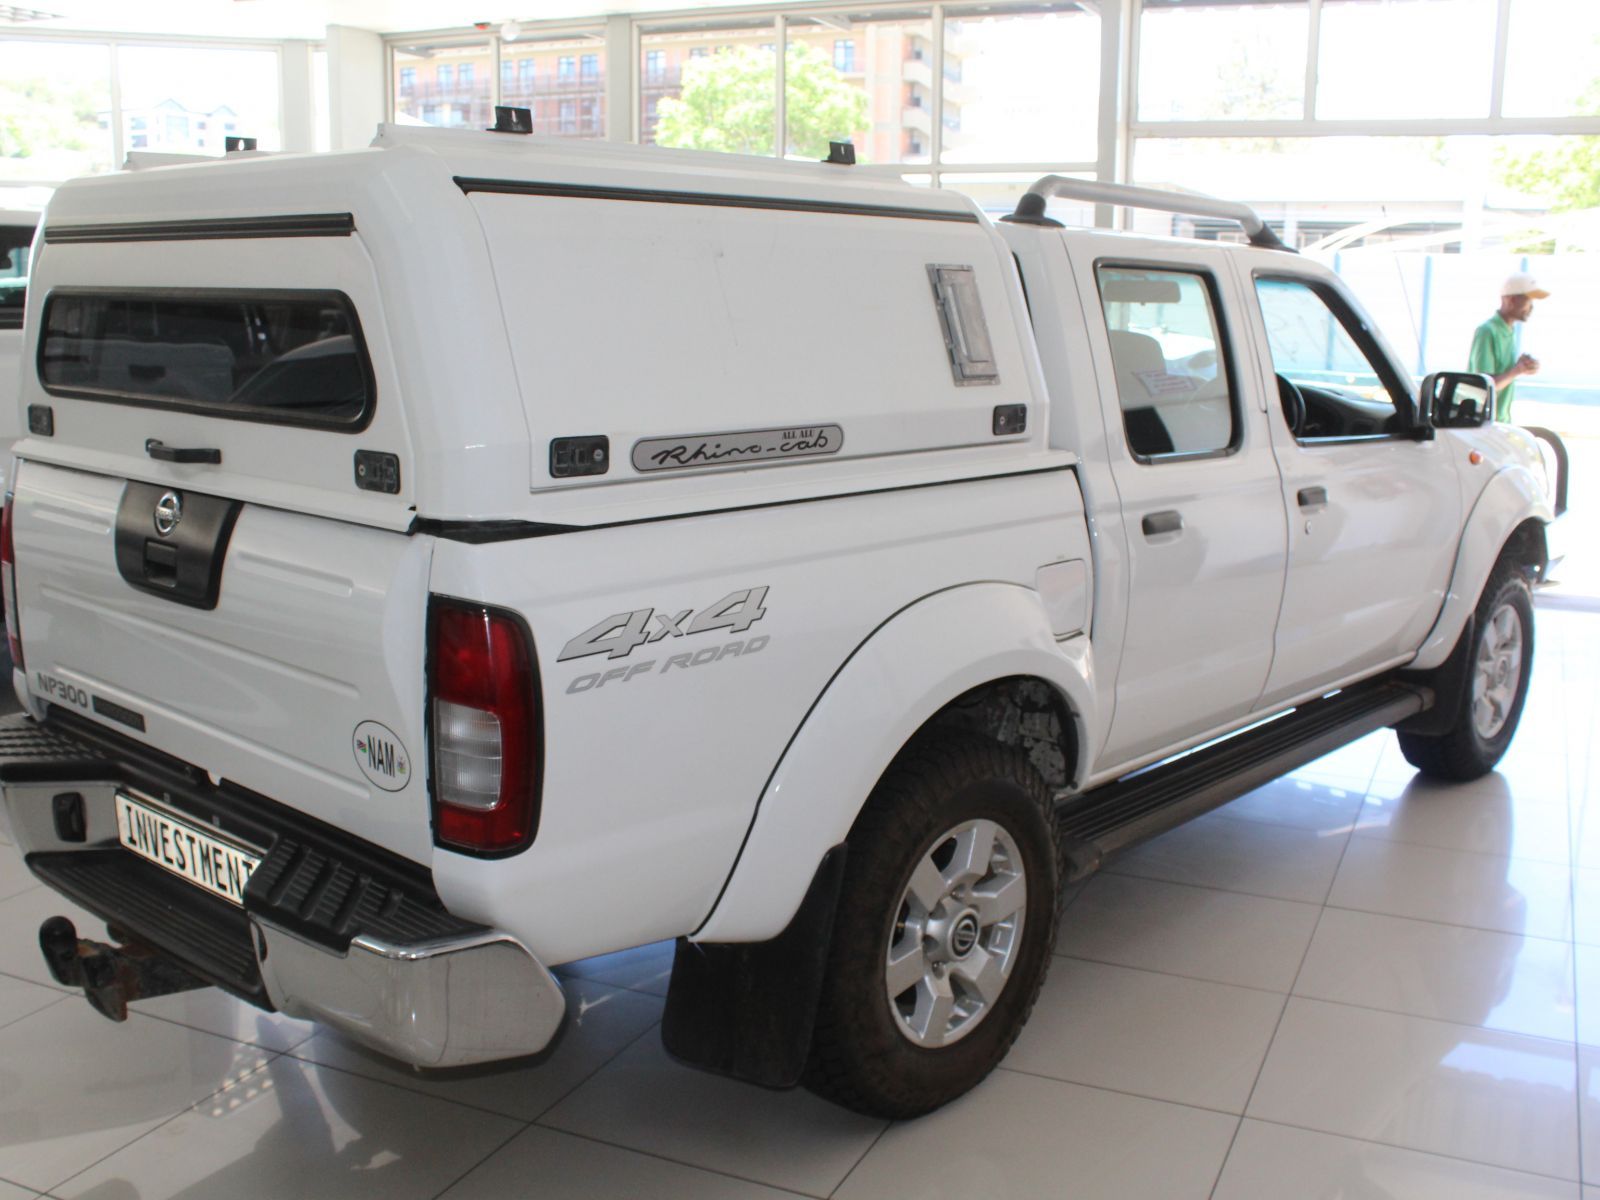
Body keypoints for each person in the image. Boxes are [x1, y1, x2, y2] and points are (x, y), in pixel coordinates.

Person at [1468, 272, 1549, 423]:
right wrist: (1518, 370)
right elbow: (1485, 386)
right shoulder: (1487, 331)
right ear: (1511, 300)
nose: (1531, 308)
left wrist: (1522, 366)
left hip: (1500, 421)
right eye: (1528, 301)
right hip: (1484, 424)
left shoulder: (1508, 330)